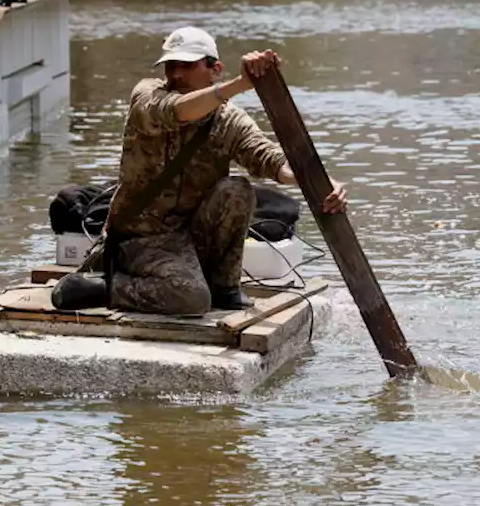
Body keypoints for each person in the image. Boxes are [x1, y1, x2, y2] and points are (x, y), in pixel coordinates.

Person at [98, 26, 347, 316]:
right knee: (191, 300)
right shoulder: (148, 95)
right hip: (141, 238)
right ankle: (105, 288)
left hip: (190, 238)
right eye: (171, 66)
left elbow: (269, 158)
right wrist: (242, 83)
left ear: (214, 69)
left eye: (187, 66)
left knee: (237, 190)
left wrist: (323, 184)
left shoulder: (228, 120)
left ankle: (223, 286)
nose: (177, 74)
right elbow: (176, 111)